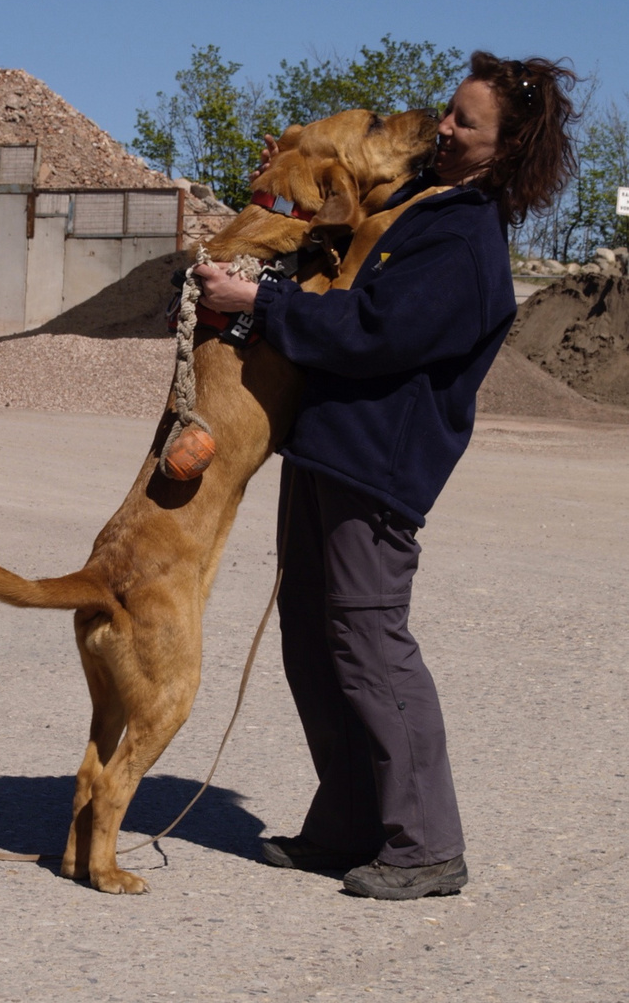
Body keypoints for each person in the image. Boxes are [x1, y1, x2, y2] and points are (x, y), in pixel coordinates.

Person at [194, 51, 579, 900]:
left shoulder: (466, 238)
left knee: (368, 641)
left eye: (466, 123)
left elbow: (375, 331)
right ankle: (348, 823)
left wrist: (261, 305)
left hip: (377, 463)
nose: (444, 127)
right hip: (326, 445)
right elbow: (331, 241)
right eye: (449, 111)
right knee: (312, 635)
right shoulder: (416, 201)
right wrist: (277, 191)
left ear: (506, 149)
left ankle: (427, 843)